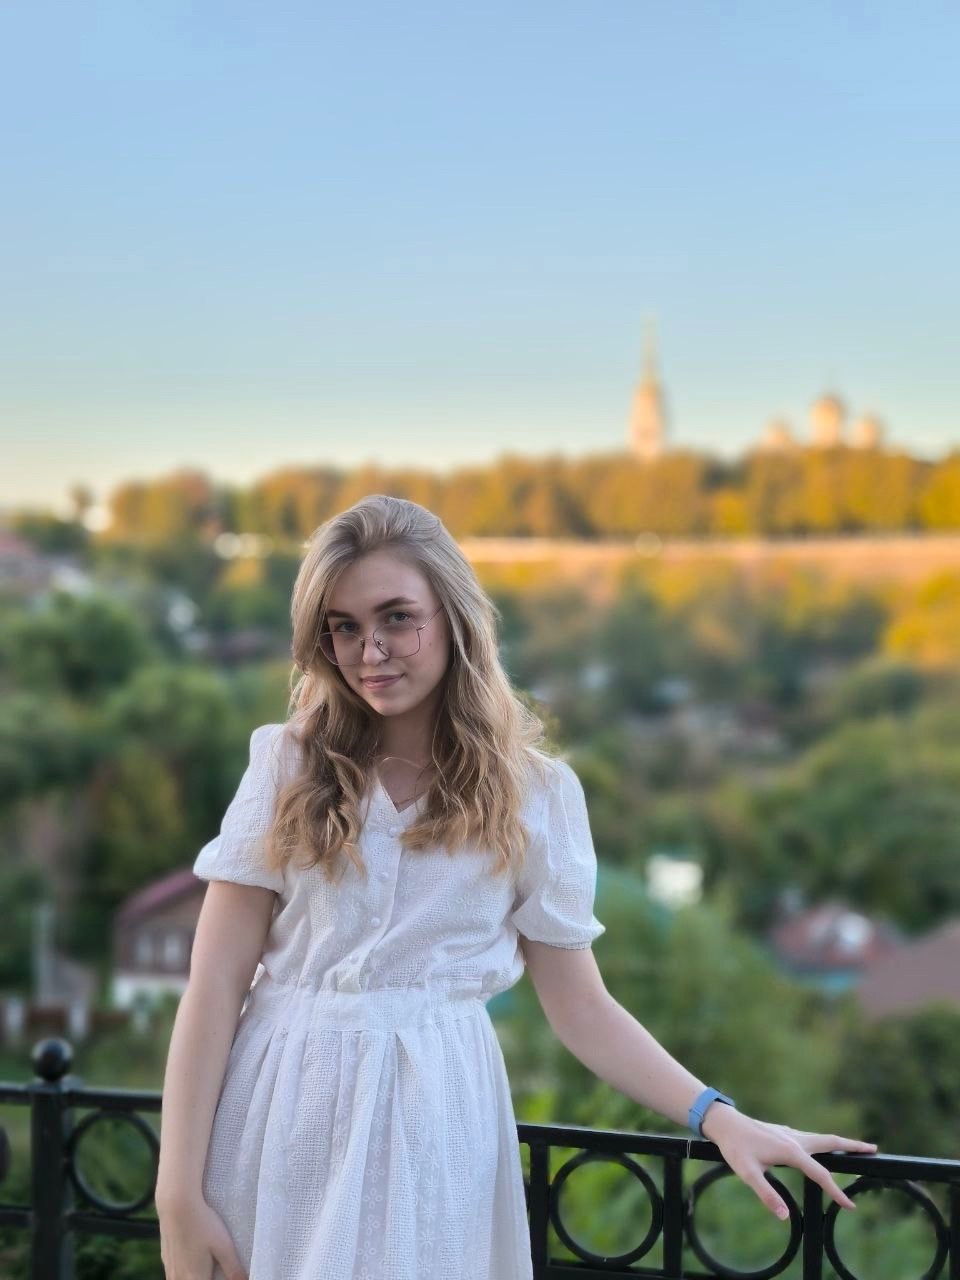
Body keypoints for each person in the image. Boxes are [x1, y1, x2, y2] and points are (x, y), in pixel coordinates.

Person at [156, 494, 876, 1280]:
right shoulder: (286, 765)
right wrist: (177, 1195)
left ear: (454, 618)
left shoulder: (535, 795)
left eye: (398, 618)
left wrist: (718, 1117)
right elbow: (215, 984)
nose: (371, 651)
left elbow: (582, 1007)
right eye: (345, 627)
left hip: (436, 1130)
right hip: (276, 1120)